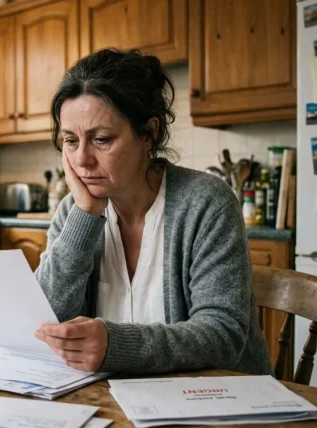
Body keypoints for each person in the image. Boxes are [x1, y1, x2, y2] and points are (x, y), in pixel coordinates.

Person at [33, 49, 272, 375]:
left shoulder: (206, 203)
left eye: (101, 139)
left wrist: (116, 346)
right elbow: (43, 321)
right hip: (112, 404)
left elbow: (223, 335)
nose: (82, 159)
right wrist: (85, 216)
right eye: (71, 141)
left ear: (150, 133)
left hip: (216, 405)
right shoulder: (74, 211)